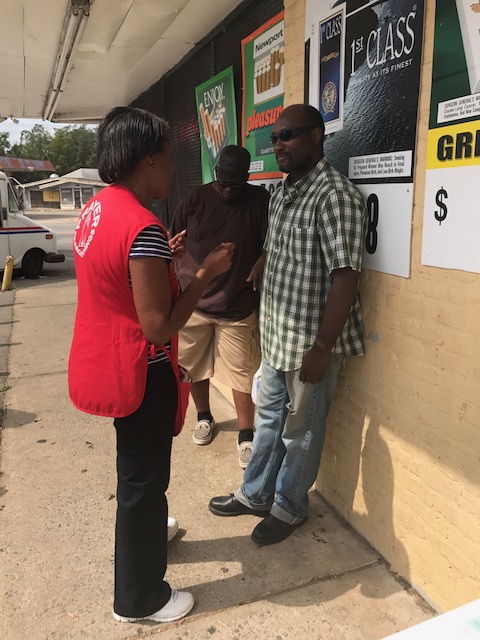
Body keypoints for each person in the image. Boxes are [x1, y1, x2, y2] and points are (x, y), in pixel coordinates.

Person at [68, 106, 234, 623]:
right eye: (169, 156)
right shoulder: (142, 225)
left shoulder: (98, 209)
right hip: (141, 367)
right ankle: (140, 600)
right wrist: (205, 273)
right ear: (147, 160)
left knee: (137, 473)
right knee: (143, 482)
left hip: (110, 358)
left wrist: (163, 258)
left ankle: (149, 535)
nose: (172, 167)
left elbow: (119, 277)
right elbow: (159, 326)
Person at [209, 104, 367, 545]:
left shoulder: (334, 196)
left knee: (302, 431)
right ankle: (257, 493)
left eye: (288, 135)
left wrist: (323, 347)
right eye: (274, 137)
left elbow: (346, 275)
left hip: (309, 344)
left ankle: (291, 505)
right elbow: (281, 243)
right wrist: (264, 259)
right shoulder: (283, 193)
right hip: (277, 335)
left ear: (316, 136)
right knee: (267, 420)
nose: (278, 144)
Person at [170, 145, 269, 468]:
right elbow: (174, 239)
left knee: (242, 372)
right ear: (215, 175)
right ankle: (204, 417)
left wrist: (263, 258)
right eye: (223, 183)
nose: (228, 190)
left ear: (247, 178)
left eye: (235, 185)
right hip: (194, 302)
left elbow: (273, 241)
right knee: (192, 367)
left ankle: (246, 434)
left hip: (237, 304)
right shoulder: (195, 199)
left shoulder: (259, 201)